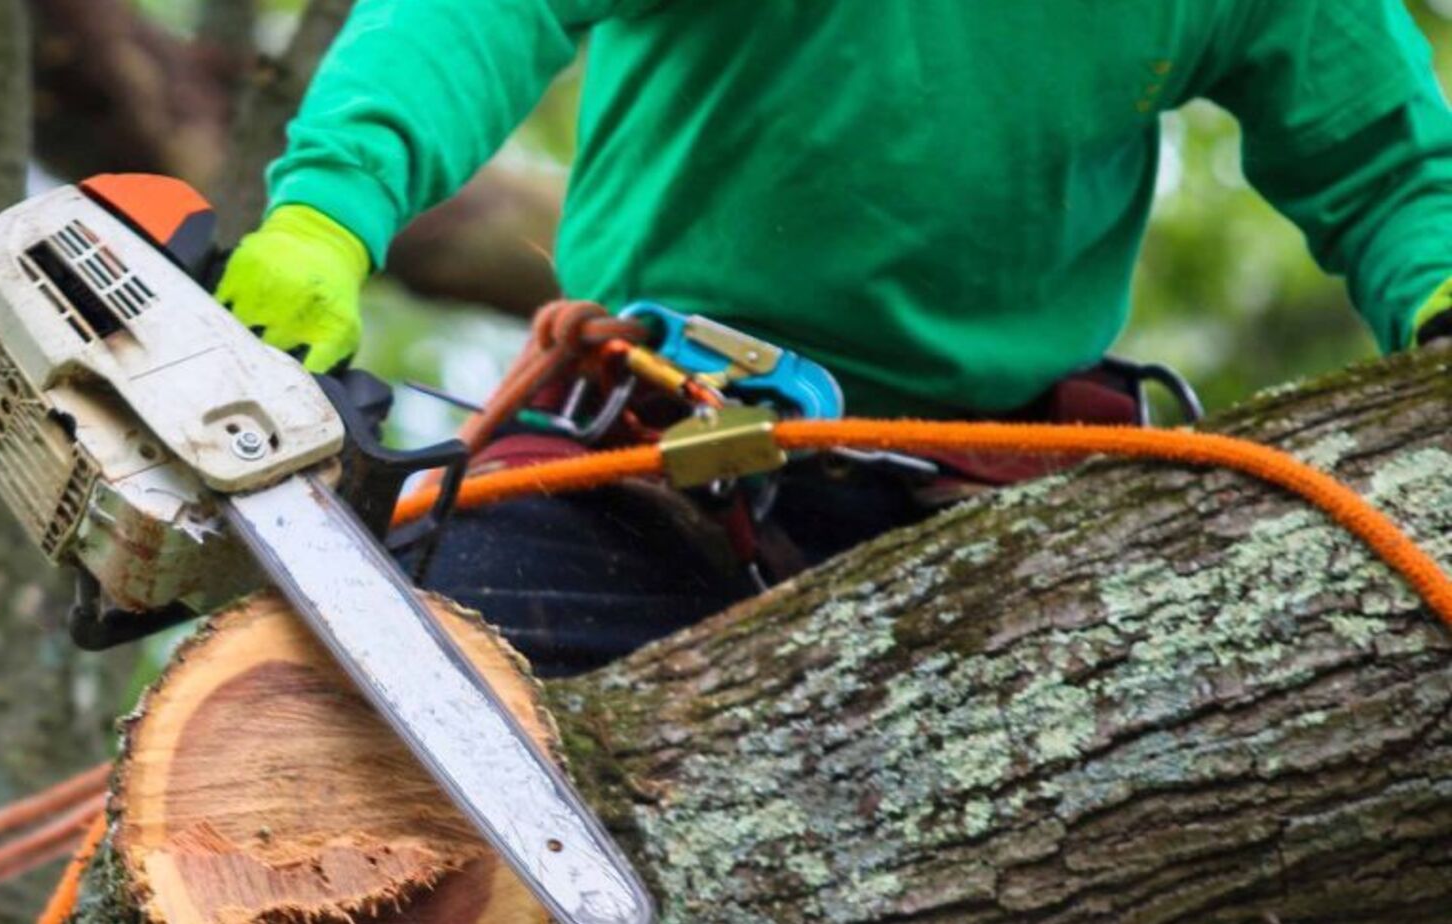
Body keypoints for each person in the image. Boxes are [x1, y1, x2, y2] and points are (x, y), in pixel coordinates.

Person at [214, 0, 1452, 675]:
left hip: (1013, 504)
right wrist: (334, 206)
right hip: (651, 460)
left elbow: (1389, 162)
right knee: (343, 684)